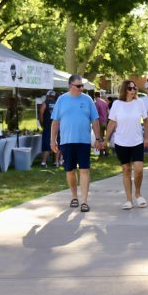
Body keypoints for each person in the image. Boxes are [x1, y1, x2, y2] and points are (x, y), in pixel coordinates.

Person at [50, 74, 103, 212]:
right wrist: (53, 140)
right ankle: (74, 196)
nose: (81, 88)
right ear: (70, 86)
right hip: (67, 141)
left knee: (84, 170)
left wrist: (98, 139)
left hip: (84, 141)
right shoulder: (61, 100)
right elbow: (55, 122)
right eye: (78, 86)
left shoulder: (87, 100)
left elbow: (95, 120)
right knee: (70, 171)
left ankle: (84, 201)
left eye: (82, 86)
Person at [105, 79, 148, 209]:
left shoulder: (139, 103)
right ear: (124, 90)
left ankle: (138, 193)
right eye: (130, 88)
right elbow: (111, 123)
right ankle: (129, 199)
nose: (133, 91)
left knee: (139, 169)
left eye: (134, 88)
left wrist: (146, 138)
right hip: (121, 142)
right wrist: (106, 140)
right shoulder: (117, 104)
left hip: (137, 141)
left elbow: (146, 122)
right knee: (126, 170)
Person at [38, 90, 58, 167]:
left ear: (47, 96)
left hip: (48, 127)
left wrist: (41, 123)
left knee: (46, 144)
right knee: (56, 143)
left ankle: (43, 162)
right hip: (57, 127)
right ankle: (56, 162)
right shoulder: (57, 103)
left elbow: (41, 112)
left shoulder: (45, 103)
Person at [94, 90, 110, 157]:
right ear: (99, 95)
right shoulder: (104, 102)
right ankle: (106, 152)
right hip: (105, 121)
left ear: (95, 96)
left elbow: (96, 114)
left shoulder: (96, 103)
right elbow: (108, 112)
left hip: (100, 122)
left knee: (100, 138)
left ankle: (101, 152)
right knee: (105, 138)